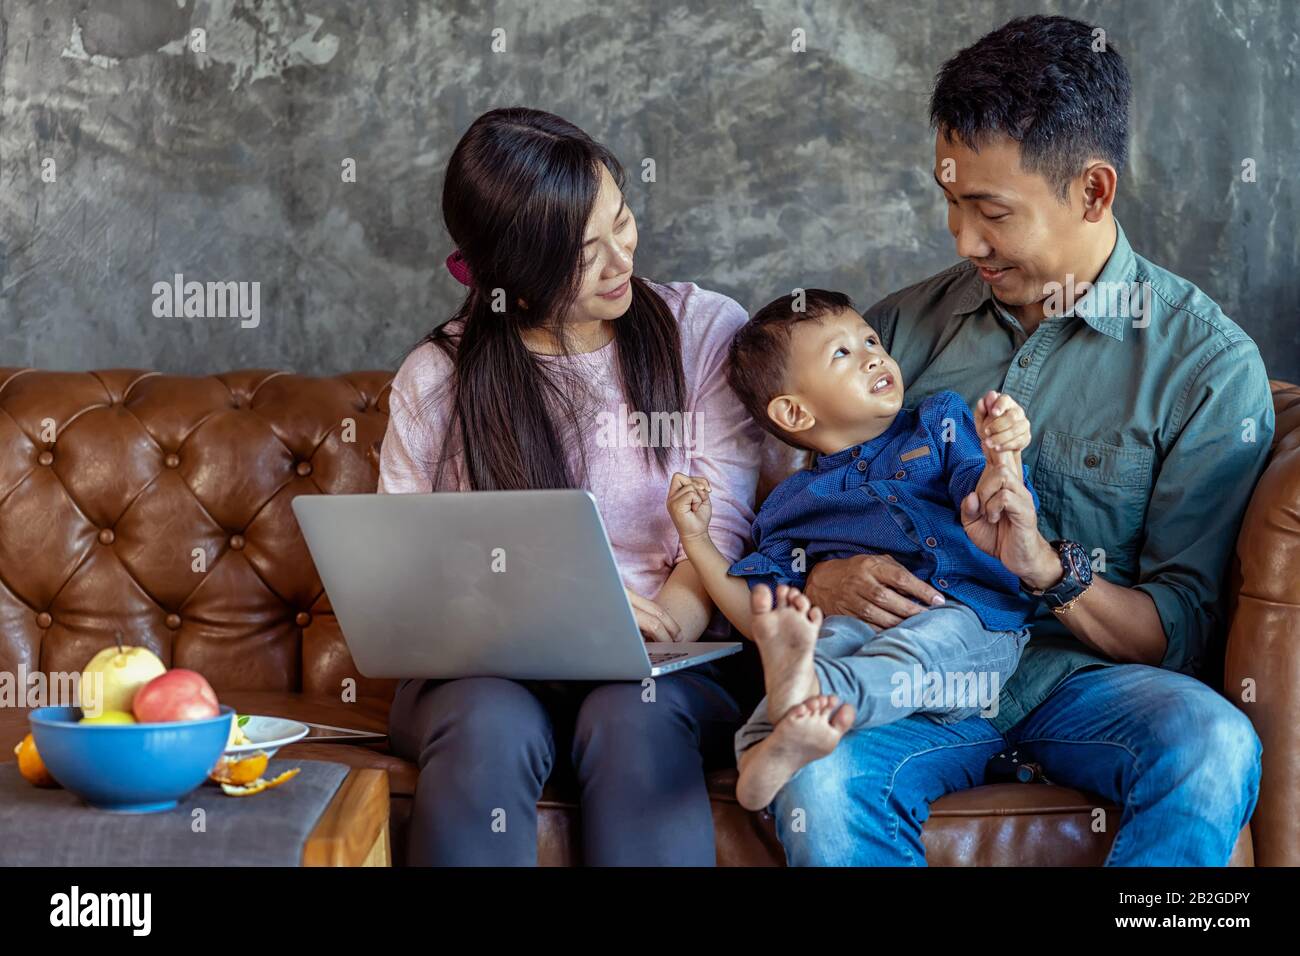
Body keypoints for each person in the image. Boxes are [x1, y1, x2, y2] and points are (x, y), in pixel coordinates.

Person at [777, 15, 1274, 866]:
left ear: (1093, 191)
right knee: (817, 783)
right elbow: (798, 517)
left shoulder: (1206, 367)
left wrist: (1047, 566)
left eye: (991, 211)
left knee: (1214, 742)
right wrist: (826, 577)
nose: (962, 239)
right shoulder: (898, 331)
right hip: (917, 687)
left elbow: (1180, 629)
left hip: (1086, 688)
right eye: (949, 200)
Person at [378, 107, 764, 866]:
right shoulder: (438, 378)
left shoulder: (704, 331)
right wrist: (554, 614)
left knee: (633, 712)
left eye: (621, 222)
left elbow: (722, 525)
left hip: (667, 659)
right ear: (513, 275)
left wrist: (663, 631)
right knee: (486, 720)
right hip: (485, 667)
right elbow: (406, 575)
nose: (621, 260)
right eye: (584, 253)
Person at [666, 290, 1038, 810]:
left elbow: (991, 505)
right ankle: (760, 754)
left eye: (870, 340)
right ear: (794, 412)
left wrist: (1004, 460)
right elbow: (759, 611)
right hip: (863, 633)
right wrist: (697, 540)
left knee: (921, 644)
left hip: (975, 626)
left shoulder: (939, 423)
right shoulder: (791, 505)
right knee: (827, 638)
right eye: (842, 353)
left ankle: (819, 704)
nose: (872, 355)